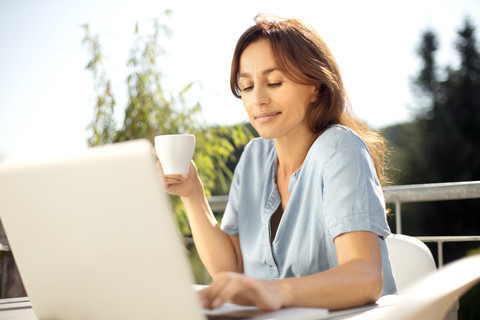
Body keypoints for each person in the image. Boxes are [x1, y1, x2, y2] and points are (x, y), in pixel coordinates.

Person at [158, 14, 397, 311]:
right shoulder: (253, 159)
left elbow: (365, 276)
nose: (257, 99)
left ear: (317, 87)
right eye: (246, 87)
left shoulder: (340, 148)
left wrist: (277, 291)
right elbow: (229, 267)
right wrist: (193, 194)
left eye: (274, 82)